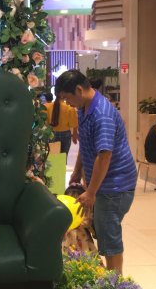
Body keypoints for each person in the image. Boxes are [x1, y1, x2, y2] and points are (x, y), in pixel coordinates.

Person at [55, 69, 137, 275]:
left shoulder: (102, 114)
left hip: (115, 185)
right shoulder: (84, 109)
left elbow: (104, 155)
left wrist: (91, 192)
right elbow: (86, 144)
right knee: (102, 229)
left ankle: (115, 283)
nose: (67, 103)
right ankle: (110, 279)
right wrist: (77, 172)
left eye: (67, 98)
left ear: (78, 90)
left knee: (109, 234)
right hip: (102, 184)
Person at [44, 93, 78, 159]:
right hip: (66, 135)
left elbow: (46, 122)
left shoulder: (48, 107)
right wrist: (74, 135)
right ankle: (62, 166)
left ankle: (54, 166)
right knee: (63, 158)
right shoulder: (69, 108)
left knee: (53, 158)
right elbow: (74, 124)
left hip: (52, 134)